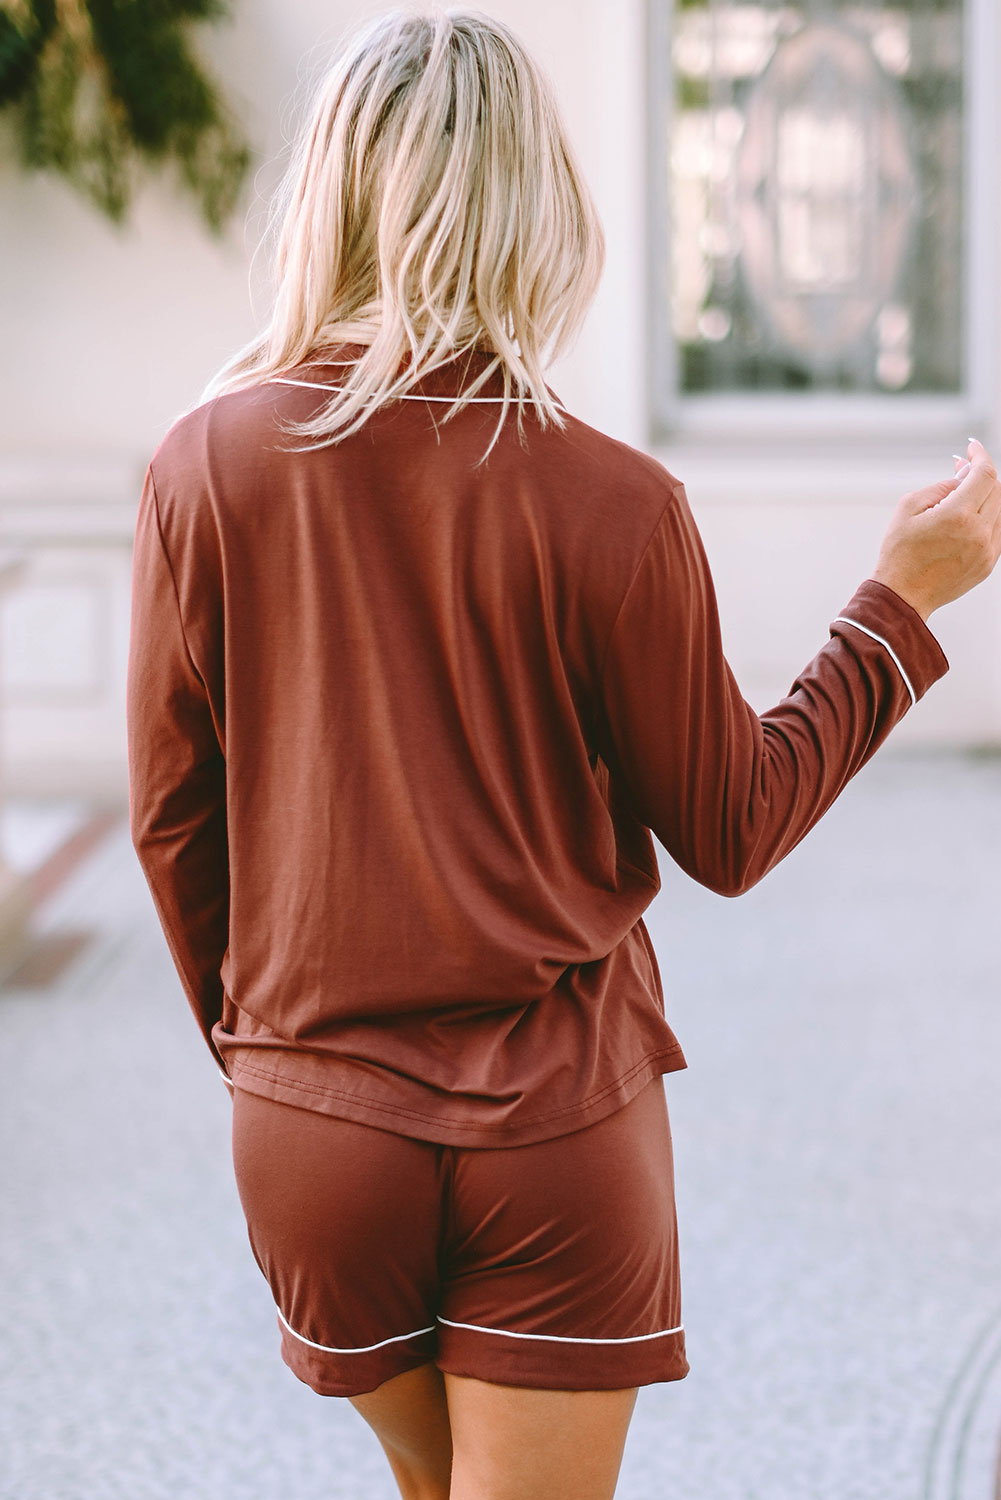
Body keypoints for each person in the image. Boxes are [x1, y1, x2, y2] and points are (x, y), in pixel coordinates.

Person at [125, 8, 1001, 1500]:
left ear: (331, 196)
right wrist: (897, 609)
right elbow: (731, 826)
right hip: (556, 1134)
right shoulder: (614, 501)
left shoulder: (199, 468)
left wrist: (280, 1073)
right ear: (540, 209)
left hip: (311, 1141)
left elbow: (172, 824)